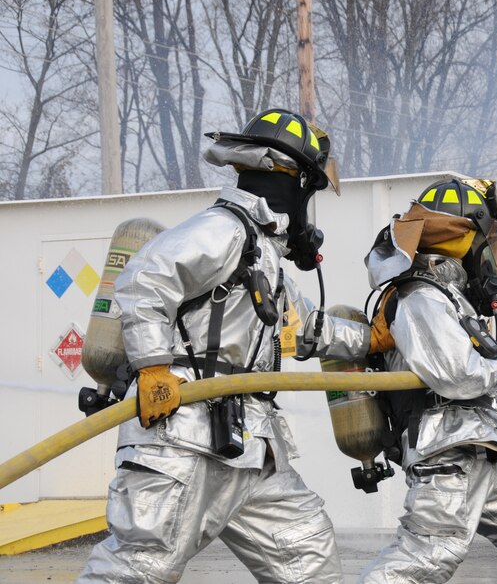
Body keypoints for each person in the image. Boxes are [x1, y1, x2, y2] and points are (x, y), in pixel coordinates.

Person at [78, 108, 372, 584]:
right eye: (309, 191)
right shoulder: (225, 230)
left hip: (248, 445)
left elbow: (308, 328)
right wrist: (154, 367)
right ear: (291, 182)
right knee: (137, 570)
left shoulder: (261, 252)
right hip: (183, 438)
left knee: (307, 556)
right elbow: (143, 281)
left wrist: (372, 338)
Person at [359, 178, 497, 583]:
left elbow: (478, 385)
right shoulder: (420, 297)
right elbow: (457, 378)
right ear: (464, 237)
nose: (491, 256)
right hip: (447, 454)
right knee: (424, 560)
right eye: (486, 240)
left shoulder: (452, 298)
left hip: (486, 447)